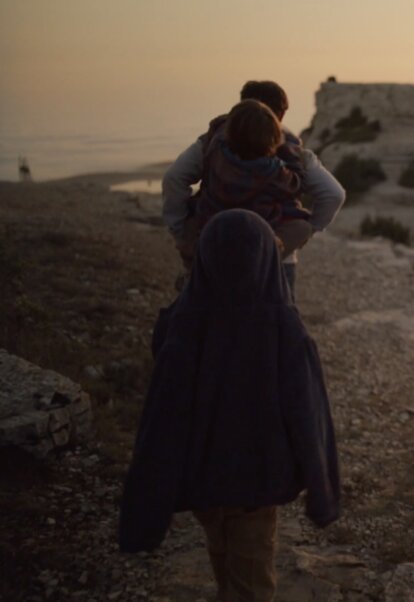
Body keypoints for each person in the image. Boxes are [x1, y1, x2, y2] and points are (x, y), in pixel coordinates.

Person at [118, 209, 341, 601]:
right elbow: (309, 410)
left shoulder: (183, 322)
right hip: (258, 479)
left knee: (221, 548)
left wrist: (145, 512)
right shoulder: (283, 326)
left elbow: (162, 416)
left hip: (202, 473)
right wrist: (322, 494)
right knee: (252, 573)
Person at [163, 80, 345, 300]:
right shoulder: (292, 153)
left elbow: (174, 178)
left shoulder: (213, 140)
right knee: (274, 327)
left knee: (203, 325)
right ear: (280, 113)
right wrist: (308, 229)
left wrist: (179, 229)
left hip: (211, 249)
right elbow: (333, 194)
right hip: (274, 258)